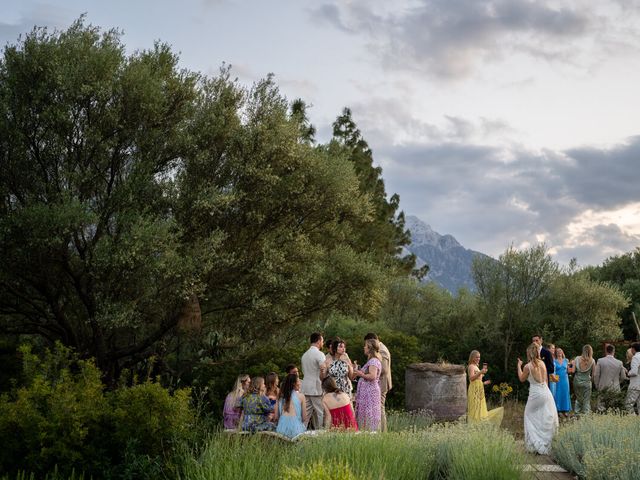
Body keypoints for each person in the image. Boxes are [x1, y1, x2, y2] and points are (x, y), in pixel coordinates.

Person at [518, 343, 559, 455]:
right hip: (546, 391)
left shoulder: (527, 366)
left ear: (529, 353)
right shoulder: (542, 363)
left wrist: (518, 365)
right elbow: (545, 379)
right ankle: (545, 442)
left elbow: (522, 378)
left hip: (536, 393)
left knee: (528, 415)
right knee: (543, 416)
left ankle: (533, 444)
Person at [466, 350, 503, 425]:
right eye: (476, 357)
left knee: (479, 407)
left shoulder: (476, 366)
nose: (478, 359)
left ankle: (479, 424)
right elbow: (471, 378)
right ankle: (474, 424)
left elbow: (477, 381)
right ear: (472, 357)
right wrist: (480, 372)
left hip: (479, 390)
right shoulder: (471, 366)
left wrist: (484, 382)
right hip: (474, 390)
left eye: (479, 357)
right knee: (475, 407)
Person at [364, 332, 392, 431]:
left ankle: (382, 432)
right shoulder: (379, 349)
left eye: (367, 344)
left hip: (382, 383)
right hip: (378, 383)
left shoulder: (382, 350)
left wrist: (370, 370)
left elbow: (384, 369)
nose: (366, 347)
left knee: (380, 408)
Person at [353, 338, 382, 431]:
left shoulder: (373, 361)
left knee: (370, 414)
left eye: (365, 346)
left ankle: (369, 433)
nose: (364, 347)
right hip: (368, 392)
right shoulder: (372, 360)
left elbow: (372, 376)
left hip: (370, 393)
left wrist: (360, 374)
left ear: (370, 348)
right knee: (367, 414)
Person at [300, 332, 326, 429]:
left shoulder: (304, 355)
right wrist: (323, 377)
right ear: (319, 341)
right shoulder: (319, 354)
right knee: (321, 412)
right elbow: (323, 369)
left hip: (305, 387)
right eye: (322, 341)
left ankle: (301, 432)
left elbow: (304, 371)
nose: (322, 343)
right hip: (316, 388)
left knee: (306, 414)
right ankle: (321, 433)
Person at [593, 344, 627, 411]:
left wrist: (597, 385)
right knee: (614, 407)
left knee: (601, 407)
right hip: (615, 387)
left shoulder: (600, 361)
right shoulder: (619, 362)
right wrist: (618, 382)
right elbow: (623, 377)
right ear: (613, 351)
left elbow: (596, 375)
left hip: (603, 386)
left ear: (606, 351)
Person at [275, 373, 307, 439]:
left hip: (282, 430)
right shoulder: (301, 396)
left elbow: (276, 417)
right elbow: (304, 418)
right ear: (294, 384)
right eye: (298, 381)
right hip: (296, 430)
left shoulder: (280, 396)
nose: (300, 383)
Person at [572, 345, 595, 415]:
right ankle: (586, 415)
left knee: (578, 398)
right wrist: (592, 381)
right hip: (587, 382)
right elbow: (593, 375)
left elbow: (573, 371)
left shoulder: (577, 359)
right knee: (586, 400)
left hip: (577, 381)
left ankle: (577, 413)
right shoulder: (592, 361)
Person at [552, 348, 571, 417]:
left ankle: (566, 410)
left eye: (560, 351)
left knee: (565, 393)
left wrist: (572, 366)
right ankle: (559, 410)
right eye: (557, 351)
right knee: (558, 393)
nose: (559, 352)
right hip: (557, 380)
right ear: (556, 353)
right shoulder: (554, 361)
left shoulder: (566, 360)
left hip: (565, 379)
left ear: (562, 352)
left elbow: (569, 371)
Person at [625, 342, 640, 414]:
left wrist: (628, 373)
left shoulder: (635, 357)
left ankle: (633, 420)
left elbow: (634, 372)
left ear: (633, 349)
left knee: (628, 405)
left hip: (635, 385)